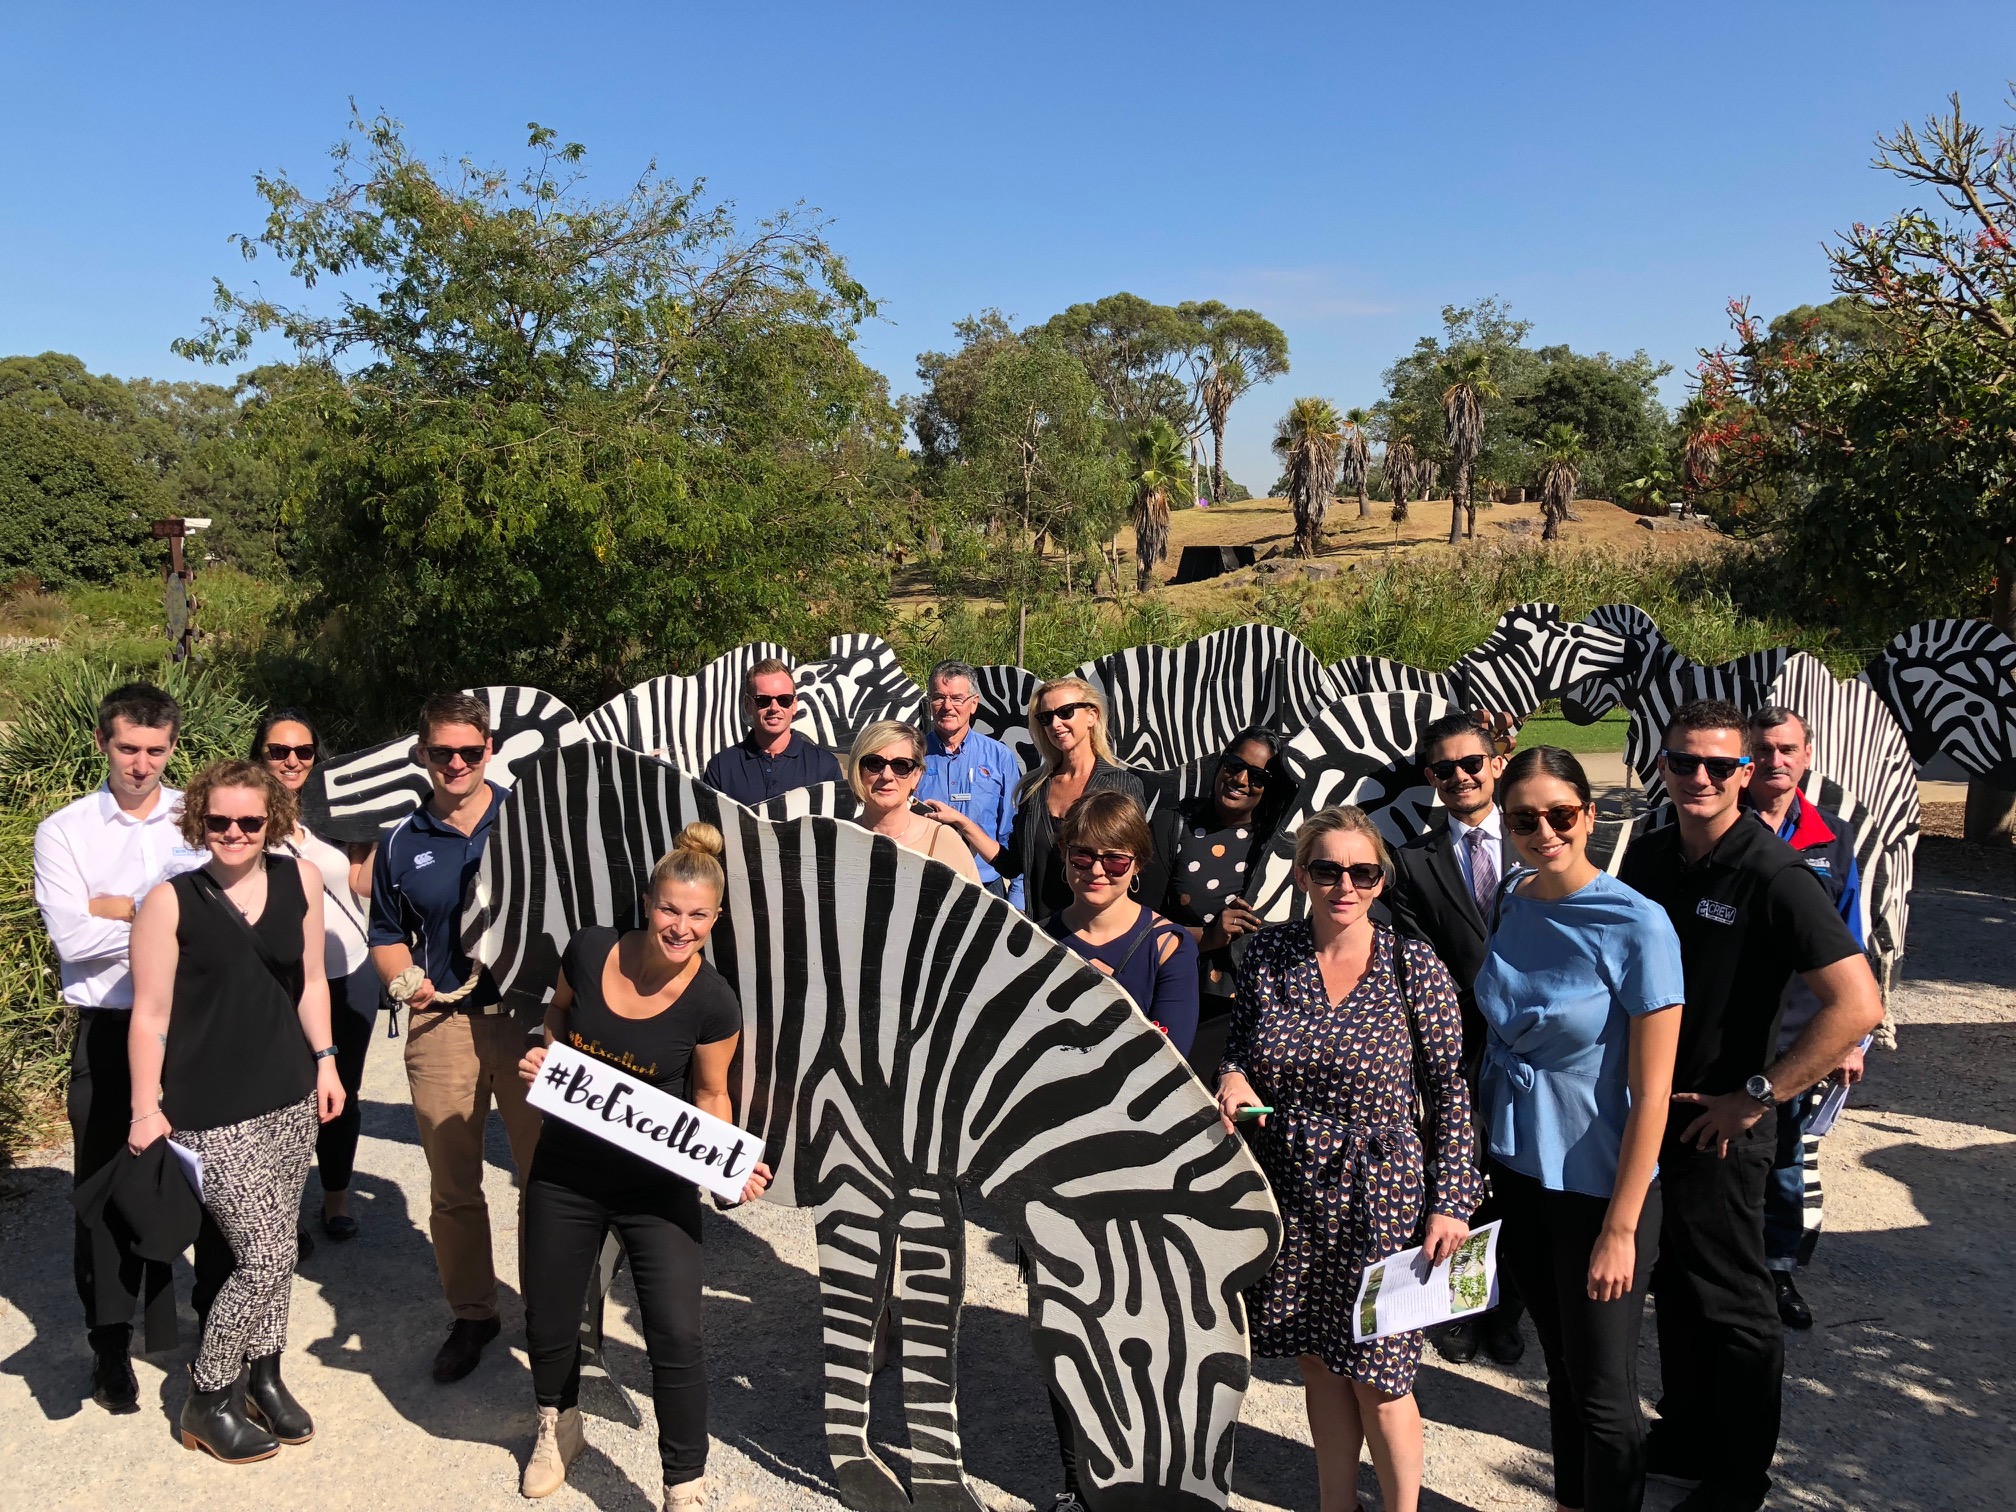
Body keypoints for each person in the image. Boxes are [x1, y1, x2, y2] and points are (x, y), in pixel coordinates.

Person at [1619, 699, 1884, 1512]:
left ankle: (1738, 1477)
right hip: (1653, 1113)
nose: (1698, 777)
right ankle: (1689, 1433)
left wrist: (1759, 1094)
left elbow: (1857, 1003)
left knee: (1736, 1302)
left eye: (1718, 765)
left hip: (1726, 1123)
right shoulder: (1651, 858)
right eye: (1682, 762)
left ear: (1744, 773)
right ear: (1659, 767)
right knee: (1681, 1284)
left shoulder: (1774, 874)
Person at [1216, 805, 1482, 1512]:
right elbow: (1242, 1047)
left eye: (1363, 871)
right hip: (1292, 1183)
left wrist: (1453, 1198)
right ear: (1303, 874)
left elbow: (1451, 1087)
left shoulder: (1409, 962)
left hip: (1383, 1190)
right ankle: (1337, 1505)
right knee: (1318, 1360)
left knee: (1383, 1376)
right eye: (1329, 869)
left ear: (1379, 879)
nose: (1346, 884)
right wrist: (1234, 1076)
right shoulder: (1271, 955)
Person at [514, 824, 772, 1509]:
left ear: (714, 921)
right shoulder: (591, 947)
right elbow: (557, 1020)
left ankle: (682, 1484)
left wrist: (724, 1165)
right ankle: (556, 1423)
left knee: (677, 1333)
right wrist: (547, 1061)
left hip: (655, 1188)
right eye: (668, 909)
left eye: (696, 915)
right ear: (649, 903)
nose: (679, 927)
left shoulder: (713, 1000)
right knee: (548, 1310)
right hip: (566, 1169)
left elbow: (712, 1094)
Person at [1475, 747, 1685, 1512]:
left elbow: (1652, 1093)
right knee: (1560, 1368)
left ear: (1590, 816)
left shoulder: (1638, 925)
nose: (1544, 831)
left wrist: (1623, 1228)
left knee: (1603, 1389)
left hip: (1600, 1186)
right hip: (1521, 1173)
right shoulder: (1513, 897)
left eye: (1560, 815)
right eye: (1524, 818)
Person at [126, 759, 346, 1462]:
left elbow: (311, 980)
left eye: (250, 821)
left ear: (272, 822)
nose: (234, 833)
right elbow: (150, 1014)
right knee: (267, 1253)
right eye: (218, 820)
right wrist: (143, 1106)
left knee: (276, 1246)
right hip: (209, 1107)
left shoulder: (299, 880)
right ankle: (209, 1393)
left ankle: (266, 1374)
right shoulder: (170, 900)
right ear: (199, 819)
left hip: (287, 1095)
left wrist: (327, 1061)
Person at [33, 681, 223, 1413]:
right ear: (101, 743)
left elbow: (225, 920)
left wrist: (120, 908)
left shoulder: (197, 822)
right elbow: (73, 940)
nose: (141, 764)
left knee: (209, 1188)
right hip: (110, 1032)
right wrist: (167, 918)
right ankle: (109, 1348)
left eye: (155, 750)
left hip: (194, 1029)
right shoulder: (66, 832)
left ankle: (215, 1335)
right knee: (104, 1192)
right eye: (127, 748)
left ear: (173, 747)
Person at [369, 691, 542, 1384]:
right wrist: (404, 978)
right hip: (444, 1022)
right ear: (424, 755)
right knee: (453, 1184)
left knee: (546, 1181)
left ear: (490, 750)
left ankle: (554, 1311)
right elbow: (384, 931)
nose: (457, 763)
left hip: (531, 1022)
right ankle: (474, 1313)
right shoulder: (402, 842)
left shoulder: (531, 822)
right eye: (443, 752)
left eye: (471, 751)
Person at [1034, 790, 1198, 1509]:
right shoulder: (1037, 942)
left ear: (1138, 863)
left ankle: (1144, 1472)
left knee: (1145, 1334)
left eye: (1113, 857)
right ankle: (1076, 1483)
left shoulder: (1169, 945)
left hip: (1144, 1170)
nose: (1096, 869)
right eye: (1082, 855)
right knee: (1065, 1333)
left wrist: (1094, 1031)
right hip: (1056, 1172)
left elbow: (1171, 1063)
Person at [1384, 709, 1528, 1366]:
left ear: (1497, 763)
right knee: (1462, 1175)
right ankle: (1465, 1306)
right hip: (1460, 1045)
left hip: (1537, 1048)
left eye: (1473, 763)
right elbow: (1416, 954)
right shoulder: (1412, 864)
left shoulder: (1540, 839)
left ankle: (1511, 1309)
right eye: (1446, 769)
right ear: (1430, 778)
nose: (1462, 777)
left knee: (1522, 1179)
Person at [1744, 705, 1869, 1330]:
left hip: (1800, 1032)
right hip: (1726, 1026)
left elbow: (1854, 941)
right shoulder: (1717, 823)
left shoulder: (1834, 837)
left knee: (1789, 1154)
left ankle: (1777, 1270)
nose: (1775, 761)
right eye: (1763, 749)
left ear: (1808, 755)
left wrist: (1853, 1036)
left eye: (1787, 749)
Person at [256, 709, 382, 1241]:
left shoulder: (337, 812)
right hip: (277, 976)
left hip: (348, 969)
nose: (291, 761)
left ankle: (334, 1196)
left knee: (341, 1092)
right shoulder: (242, 813)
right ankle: (280, 1213)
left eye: (303, 752)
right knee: (281, 1096)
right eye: (279, 751)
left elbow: (361, 884)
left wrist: (381, 836)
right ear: (258, 754)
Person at [927, 677, 1152, 919]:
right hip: (1045, 932)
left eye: (1065, 712)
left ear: (1092, 716)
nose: (1056, 724)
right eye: (1046, 718)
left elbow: (1134, 865)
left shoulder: (1121, 785)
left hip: (1101, 930)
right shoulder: (1035, 788)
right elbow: (1012, 864)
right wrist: (963, 822)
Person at [1160, 727, 1291, 1080]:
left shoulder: (1282, 842)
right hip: (1184, 994)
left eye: (1259, 776)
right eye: (1234, 764)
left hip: (1264, 1008)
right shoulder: (1176, 824)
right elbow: (1140, 924)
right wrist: (1210, 936)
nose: (1241, 779)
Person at [914, 660, 1023, 900]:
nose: (947, 707)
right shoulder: (912, 756)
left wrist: (1018, 895)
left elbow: (1012, 831)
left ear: (974, 704)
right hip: (926, 882)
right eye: (938, 697)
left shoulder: (999, 757)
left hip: (986, 884)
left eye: (957, 698)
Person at [846, 719, 981, 882]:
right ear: (858, 770)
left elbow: (974, 907)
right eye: (875, 764)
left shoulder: (943, 842)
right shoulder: (839, 840)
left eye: (900, 765)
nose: (887, 776)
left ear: (917, 775)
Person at [699, 657, 843, 805]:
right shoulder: (721, 768)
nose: (774, 708)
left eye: (784, 699)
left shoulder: (825, 767)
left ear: (794, 705)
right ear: (748, 705)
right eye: (763, 700)